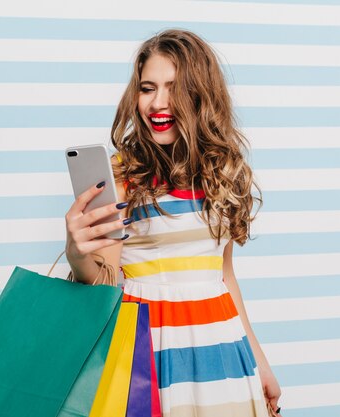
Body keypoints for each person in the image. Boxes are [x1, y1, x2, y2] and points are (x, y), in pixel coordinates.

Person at [64, 29, 282, 417]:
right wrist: (76, 251)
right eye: (148, 88)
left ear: (201, 96)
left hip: (222, 350)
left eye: (174, 88)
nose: (158, 103)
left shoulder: (222, 173)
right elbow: (105, 282)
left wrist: (259, 359)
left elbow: (224, 275)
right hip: (146, 352)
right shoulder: (121, 178)